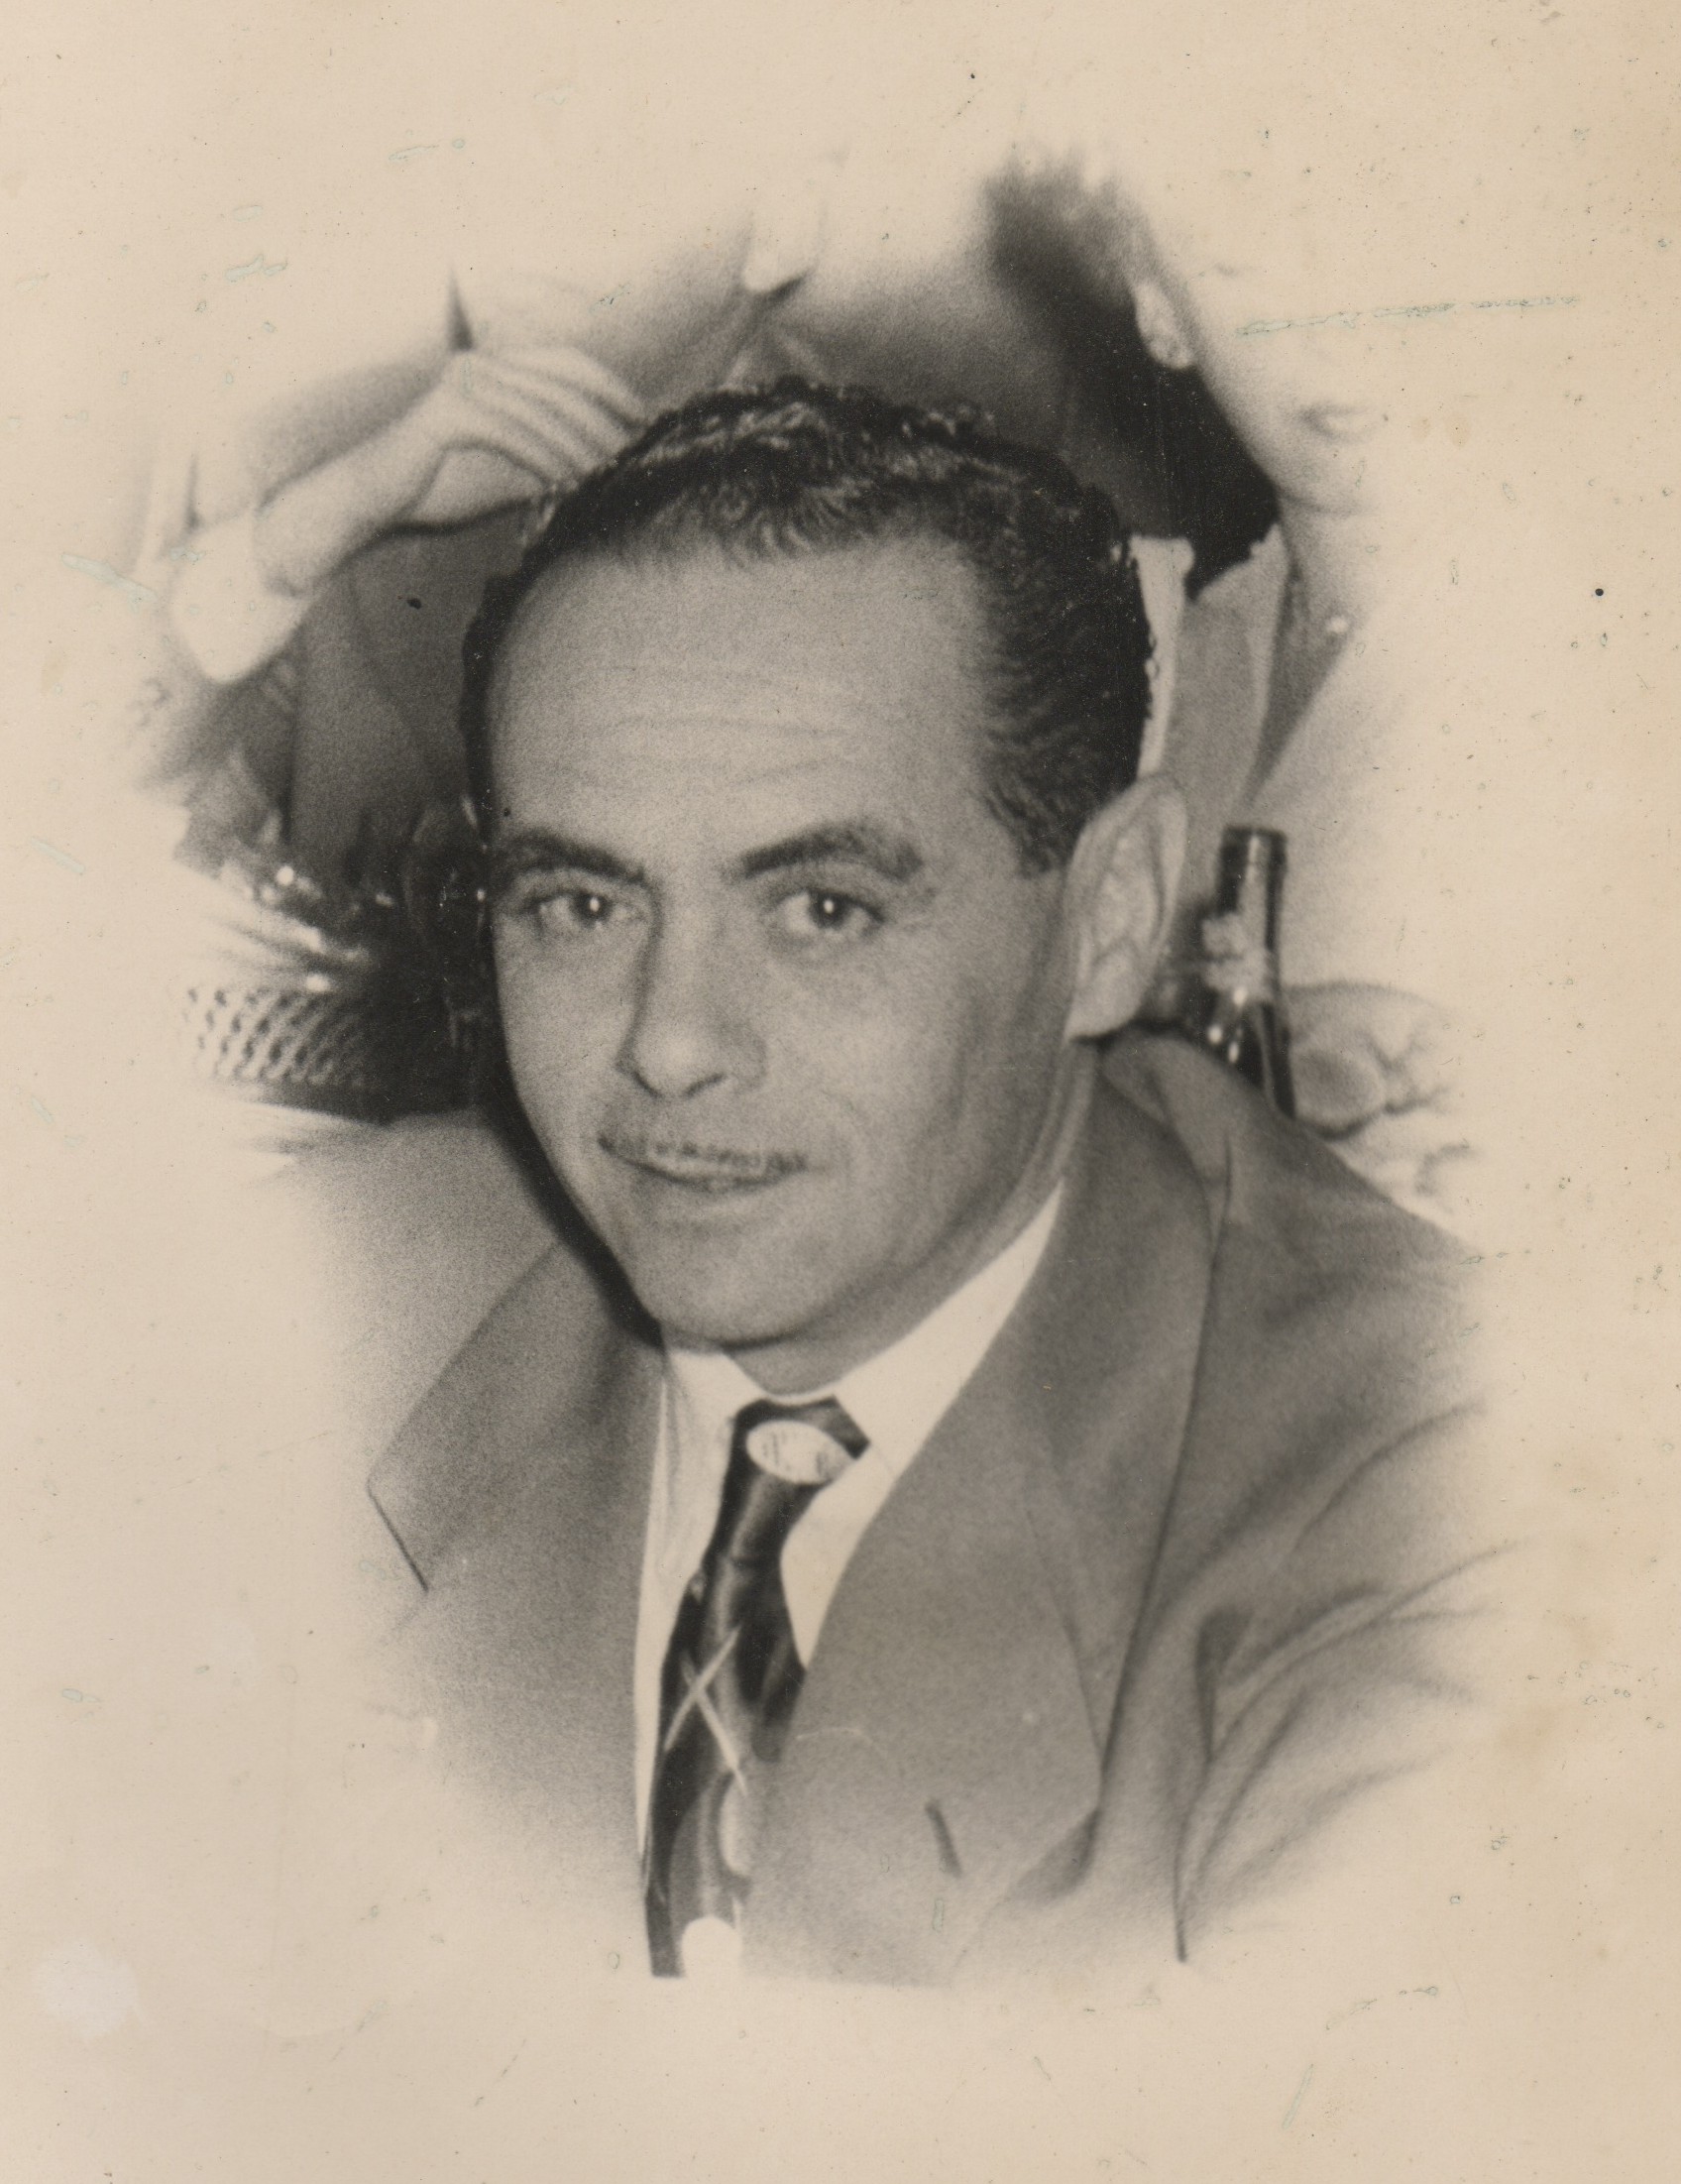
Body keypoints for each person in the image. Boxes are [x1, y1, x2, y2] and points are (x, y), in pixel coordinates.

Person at [313, 380, 1491, 1990]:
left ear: (1109, 918)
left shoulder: (1438, 1483)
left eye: (822, 909)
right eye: (582, 906)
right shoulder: (306, 1308)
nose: (669, 1045)